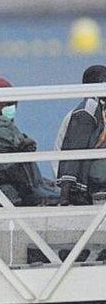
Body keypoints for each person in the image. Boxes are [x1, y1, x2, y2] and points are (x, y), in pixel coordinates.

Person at [56, 65, 106, 203]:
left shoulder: (101, 109)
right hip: (83, 179)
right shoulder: (87, 111)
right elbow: (74, 149)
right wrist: (66, 194)